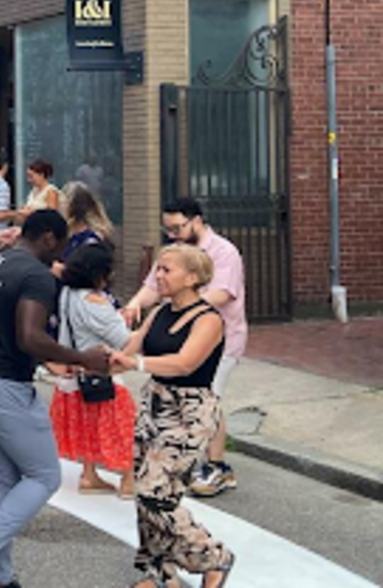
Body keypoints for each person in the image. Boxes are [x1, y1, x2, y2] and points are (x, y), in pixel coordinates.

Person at [0, 210, 110, 588]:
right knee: (44, 476)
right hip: (2, 380)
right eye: (62, 245)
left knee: (4, 475)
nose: (62, 255)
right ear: (49, 237)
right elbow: (29, 337)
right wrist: (83, 358)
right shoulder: (36, 276)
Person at [110, 244, 236, 588]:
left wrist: (135, 363)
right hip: (155, 404)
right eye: (158, 269)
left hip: (189, 412)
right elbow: (130, 348)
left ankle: (214, 557)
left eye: (167, 270)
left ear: (192, 278)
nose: (159, 276)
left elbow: (185, 363)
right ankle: (161, 574)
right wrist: (93, 361)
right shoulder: (160, 312)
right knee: (144, 494)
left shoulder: (209, 319)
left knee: (156, 493)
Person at [120, 197, 246, 498]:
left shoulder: (223, 252)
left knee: (209, 396)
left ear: (196, 221)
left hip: (220, 340)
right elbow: (152, 288)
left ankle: (216, 465)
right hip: (174, 338)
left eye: (177, 228)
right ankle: (173, 457)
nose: (173, 234)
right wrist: (135, 304)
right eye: (168, 229)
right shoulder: (173, 256)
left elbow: (223, 293)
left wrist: (183, 305)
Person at [49, 243, 134, 498]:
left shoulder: (67, 294)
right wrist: (124, 319)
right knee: (123, 427)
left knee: (87, 425)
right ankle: (129, 480)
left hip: (73, 375)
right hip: (102, 374)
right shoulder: (95, 302)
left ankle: (89, 475)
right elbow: (123, 339)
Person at [1, 159, 60, 225]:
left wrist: (31, 212)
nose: (29, 180)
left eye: (31, 176)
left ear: (41, 175)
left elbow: (52, 216)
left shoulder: (51, 191)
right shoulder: (33, 191)